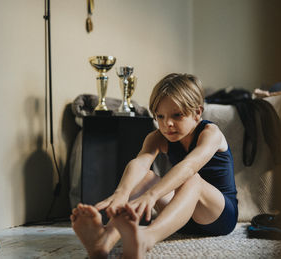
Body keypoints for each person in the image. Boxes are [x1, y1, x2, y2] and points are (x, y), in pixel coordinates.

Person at [70, 73, 238, 259]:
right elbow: (140, 163)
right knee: (146, 176)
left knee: (192, 179)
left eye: (177, 115)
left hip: (218, 217)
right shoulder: (157, 137)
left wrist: (152, 195)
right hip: (181, 216)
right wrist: (122, 193)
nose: (168, 124)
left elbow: (189, 167)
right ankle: (104, 241)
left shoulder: (210, 133)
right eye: (160, 116)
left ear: (197, 112)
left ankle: (147, 238)